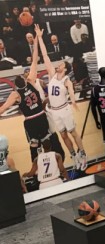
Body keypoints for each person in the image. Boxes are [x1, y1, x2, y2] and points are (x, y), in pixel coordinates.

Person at [36, 25, 87, 170]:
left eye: (60, 64)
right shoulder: (52, 75)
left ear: (64, 68)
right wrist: (40, 37)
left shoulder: (66, 80)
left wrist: (74, 101)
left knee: (73, 132)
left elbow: (71, 91)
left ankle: (83, 153)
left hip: (64, 109)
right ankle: (73, 155)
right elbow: (45, 56)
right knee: (63, 135)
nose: (57, 65)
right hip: (54, 111)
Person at [0, 30, 51, 162]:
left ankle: (36, 168)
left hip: (31, 120)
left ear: (15, 85)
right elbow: (35, 60)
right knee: (46, 141)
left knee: (34, 145)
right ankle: (50, 162)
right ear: (24, 78)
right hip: (41, 116)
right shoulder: (31, 81)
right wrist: (36, 41)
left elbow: (3, 108)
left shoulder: (16, 94)